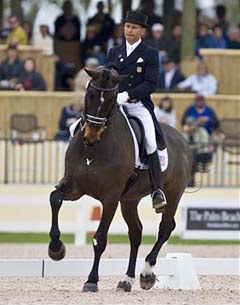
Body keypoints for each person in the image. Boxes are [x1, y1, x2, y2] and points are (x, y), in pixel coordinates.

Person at [107, 10, 167, 211]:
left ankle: (157, 190)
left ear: (142, 31)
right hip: (115, 103)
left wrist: (127, 95)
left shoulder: (149, 53)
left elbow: (151, 84)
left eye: (133, 27)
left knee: (150, 141)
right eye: (126, 26)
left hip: (138, 105)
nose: (129, 30)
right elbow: (108, 77)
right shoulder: (114, 52)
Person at [182, 116, 213, 186]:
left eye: (191, 124)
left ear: (195, 124)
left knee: (192, 159)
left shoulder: (201, 131)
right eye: (188, 124)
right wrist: (188, 133)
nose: (189, 126)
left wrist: (191, 147)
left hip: (201, 153)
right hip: (189, 154)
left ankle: (191, 180)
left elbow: (204, 143)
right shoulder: (185, 133)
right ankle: (188, 180)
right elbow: (183, 144)